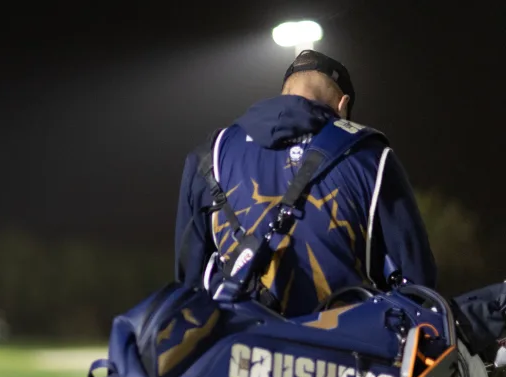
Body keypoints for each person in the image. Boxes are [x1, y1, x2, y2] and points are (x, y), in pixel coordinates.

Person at [174, 50, 437, 317]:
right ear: (342, 105)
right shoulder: (369, 154)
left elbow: (188, 284)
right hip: (341, 349)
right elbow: (416, 282)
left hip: (236, 346)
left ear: (285, 93)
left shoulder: (210, 153)